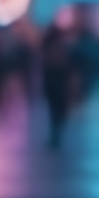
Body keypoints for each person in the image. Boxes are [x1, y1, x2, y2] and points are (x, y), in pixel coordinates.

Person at [40, 17, 75, 148]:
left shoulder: (49, 45)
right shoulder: (63, 45)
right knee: (59, 109)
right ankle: (56, 133)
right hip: (58, 80)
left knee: (55, 109)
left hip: (53, 80)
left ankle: (56, 133)